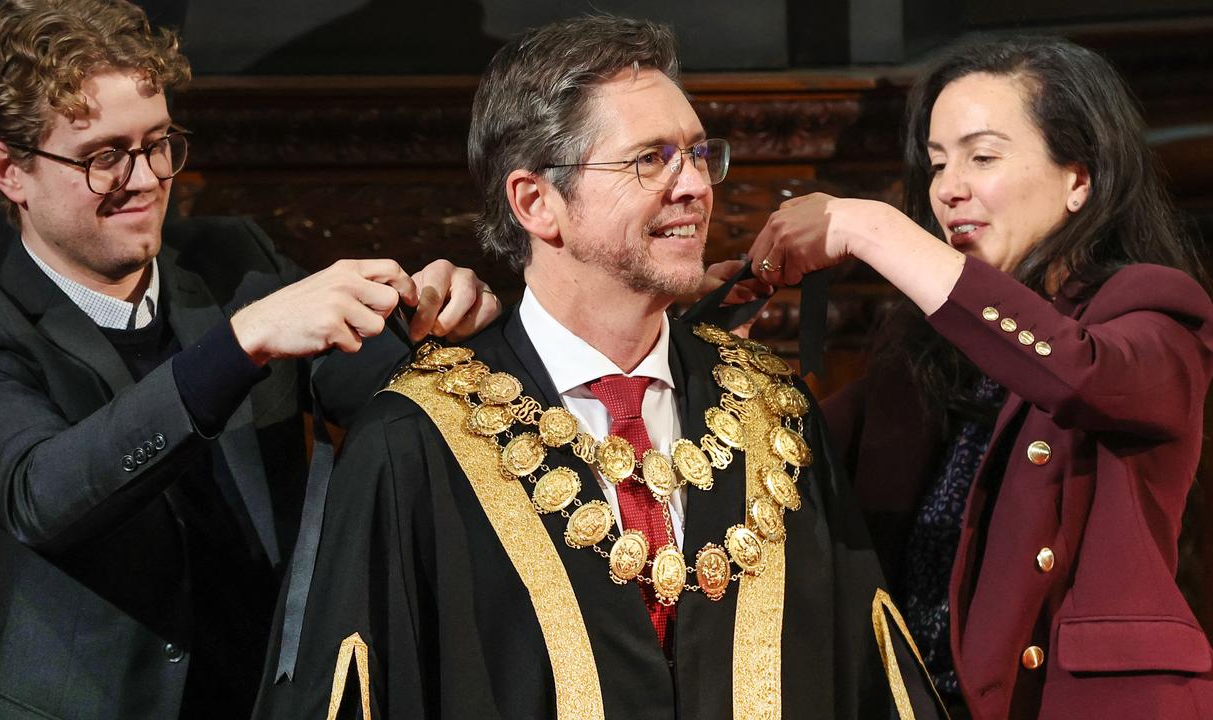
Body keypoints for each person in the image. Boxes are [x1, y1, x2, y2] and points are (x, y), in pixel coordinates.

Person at [255, 15, 941, 720]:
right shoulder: (414, 440)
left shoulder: (777, 417)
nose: (694, 186)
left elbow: (863, 682)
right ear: (536, 202)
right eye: (651, 159)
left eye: (699, 154)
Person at [0, 1, 500, 718]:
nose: (145, 178)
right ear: (10, 171)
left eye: (160, 142)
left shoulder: (233, 259)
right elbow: (44, 495)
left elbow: (362, 390)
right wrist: (240, 343)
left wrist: (432, 331)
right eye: (106, 155)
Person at [745, 36, 1213, 719]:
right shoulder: (921, 352)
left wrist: (873, 227)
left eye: (982, 156)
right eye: (936, 164)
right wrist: (713, 351)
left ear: (1079, 179)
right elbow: (789, 460)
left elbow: (1073, 371)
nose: (948, 188)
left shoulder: (1156, 308)